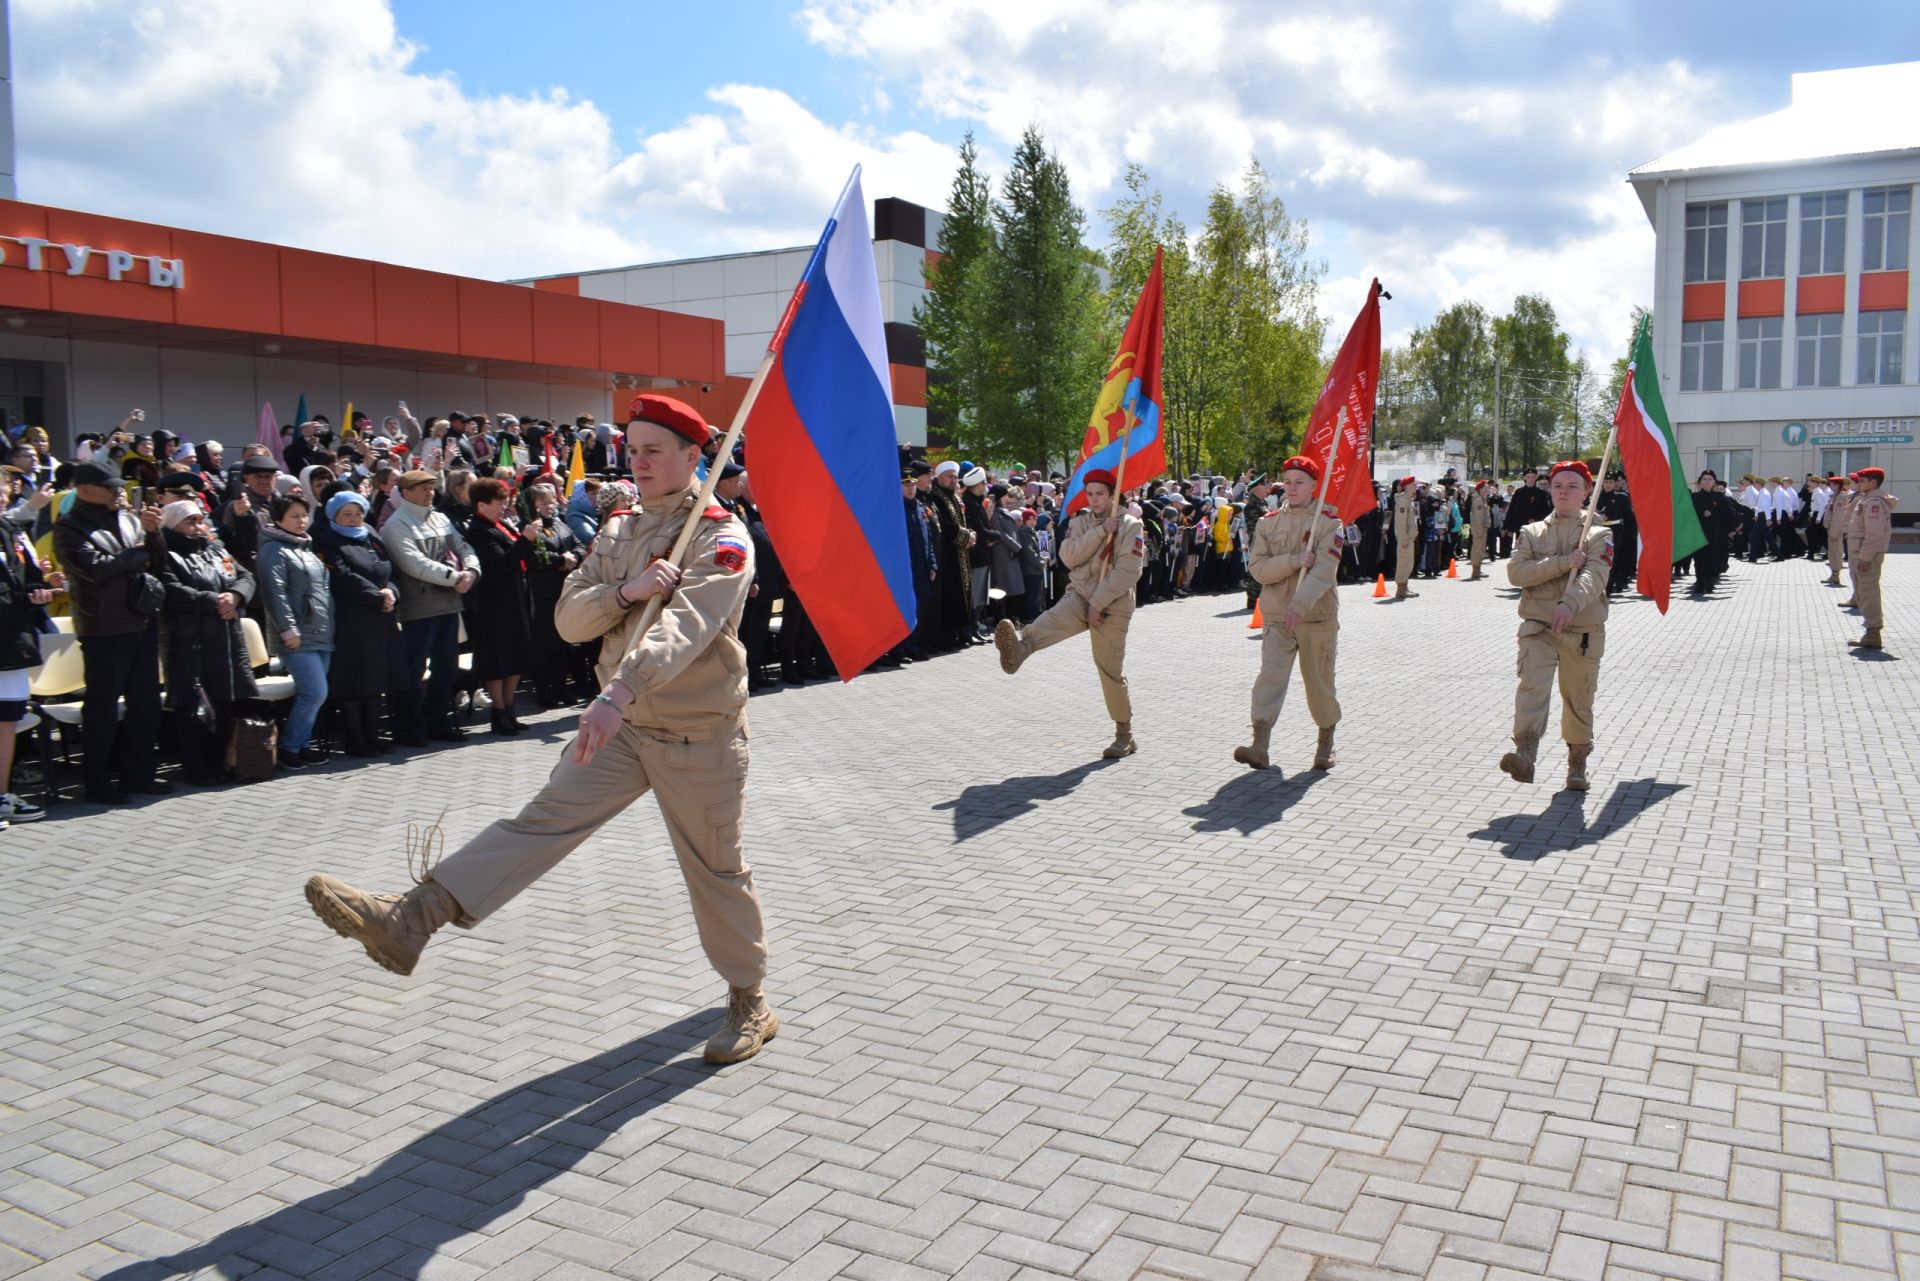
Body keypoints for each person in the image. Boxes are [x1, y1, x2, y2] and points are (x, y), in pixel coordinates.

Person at [305, 394, 777, 1065]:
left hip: (695, 735)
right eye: (633, 449)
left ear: (694, 455)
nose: (638, 462)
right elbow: (569, 621)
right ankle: (411, 919)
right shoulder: (619, 529)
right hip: (625, 728)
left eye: (654, 450)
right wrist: (629, 591)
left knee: (715, 870)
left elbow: (688, 628)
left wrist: (618, 688)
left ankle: (749, 996)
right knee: (539, 822)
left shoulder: (720, 536)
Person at [992, 468, 1145, 759]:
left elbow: (1128, 571)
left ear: (1113, 495)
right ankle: (1019, 650)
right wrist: (1101, 530)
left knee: (1108, 669)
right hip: (1079, 596)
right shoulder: (1082, 521)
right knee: (1050, 621)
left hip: (1112, 605)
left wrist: (1098, 604)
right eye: (1090, 494)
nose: (1095, 499)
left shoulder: (1130, 525)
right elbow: (1068, 556)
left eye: (1100, 494)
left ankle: (1124, 734)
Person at [52, 458, 170, 804]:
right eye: (110, 487)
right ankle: (98, 781)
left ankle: (139, 775)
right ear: (84, 489)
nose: (119, 492)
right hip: (103, 629)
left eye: (119, 486)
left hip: (141, 621)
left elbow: (158, 564)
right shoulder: (69, 527)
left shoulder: (128, 519)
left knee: (145, 706)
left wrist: (154, 534)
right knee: (101, 710)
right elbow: (96, 570)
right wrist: (139, 554)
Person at [1500, 460, 1611, 792]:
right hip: (1538, 627)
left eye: (1572, 486)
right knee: (1531, 688)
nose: (1563, 492)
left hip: (1582, 633)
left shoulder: (1599, 533)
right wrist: (1562, 563)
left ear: (1587, 492)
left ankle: (1577, 763)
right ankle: (1525, 752)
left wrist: (1570, 602)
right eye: (1558, 486)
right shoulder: (1532, 532)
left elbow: (1595, 575)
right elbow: (1517, 573)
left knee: (1578, 699)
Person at [1234, 457, 1341, 771]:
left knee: (1320, 683)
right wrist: (1294, 560)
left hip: (1316, 616)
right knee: (1270, 677)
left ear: (1313, 485)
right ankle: (1260, 745)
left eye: (1300, 482)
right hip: (1277, 615)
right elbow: (1258, 570)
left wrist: (1299, 606)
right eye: (1288, 481)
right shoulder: (1269, 523)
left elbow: (1324, 572)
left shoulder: (1329, 522)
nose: (1292, 488)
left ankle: (1325, 744)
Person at [155, 500, 257, 783]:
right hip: (189, 638)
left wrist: (235, 596)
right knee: (193, 706)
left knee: (224, 702)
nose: (198, 526)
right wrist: (215, 601)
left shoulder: (215, 549)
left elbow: (245, 576)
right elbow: (171, 590)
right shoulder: (166, 552)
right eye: (190, 521)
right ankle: (196, 768)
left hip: (224, 636)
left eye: (201, 520)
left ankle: (218, 763)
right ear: (172, 524)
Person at [380, 470, 480, 745]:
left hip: (448, 604)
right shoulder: (396, 524)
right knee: (413, 671)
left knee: (446, 669)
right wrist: (456, 578)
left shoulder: (440, 518)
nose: (429, 493)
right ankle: (408, 728)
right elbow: (414, 563)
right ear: (406, 492)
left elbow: (463, 547)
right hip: (419, 609)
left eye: (431, 488)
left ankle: (438, 722)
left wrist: (471, 570)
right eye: (422, 488)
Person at [312, 491, 406, 757]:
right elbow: (343, 576)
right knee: (355, 678)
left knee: (377, 676)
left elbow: (390, 570)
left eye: (358, 513)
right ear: (334, 516)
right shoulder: (327, 542)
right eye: (347, 514)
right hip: (352, 619)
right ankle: (355, 739)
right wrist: (377, 597)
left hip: (382, 616)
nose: (354, 519)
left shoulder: (370, 536)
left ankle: (373, 734)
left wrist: (391, 592)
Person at [257, 494, 334, 771]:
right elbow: (274, 592)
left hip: (319, 632)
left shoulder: (305, 547)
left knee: (312, 693)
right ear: (278, 520)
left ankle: (301, 745)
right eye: (294, 516)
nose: (302, 520)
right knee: (315, 692)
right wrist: (287, 627)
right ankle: (290, 747)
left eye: (304, 515)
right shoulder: (274, 549)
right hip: (297, 635)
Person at [464, 478, 537, 734]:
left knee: (516, 654)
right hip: (494, 603)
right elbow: (502, 564)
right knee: (498, 657)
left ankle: (509, 707)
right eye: (499, 503)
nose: (504, 507)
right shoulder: (478, 531)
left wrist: (528, 541)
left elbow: (520, 556)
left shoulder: (501, 525)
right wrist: (525, 540)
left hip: (514, 598)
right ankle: (498, 710)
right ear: (482, 505)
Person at [0, 509, 55, 825]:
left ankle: (2, 796)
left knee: (7, 722)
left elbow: (28, 578)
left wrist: (41, 589)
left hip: (11, 642)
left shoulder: (14, 533)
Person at [522, 482, 588, 707]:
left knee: (562, 643)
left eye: (551, 501)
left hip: (563, 589)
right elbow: (534, 556)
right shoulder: (530, 527)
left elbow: (579, 545)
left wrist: (573, 557)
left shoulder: (560, 523)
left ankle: (561, 687)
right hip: (541, 593)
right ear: (533, 506)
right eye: (543, 502)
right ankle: (544, 690)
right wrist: (560, 560)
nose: (549, 506)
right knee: (544, 645)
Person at [1844, 466, 1894, 651]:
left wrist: (1864, 558)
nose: (1859, 483)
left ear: (1873, 482)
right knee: (1864, 592)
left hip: (1866, 555)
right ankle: (1871, 631)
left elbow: (1874, 534)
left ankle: (1873, 633)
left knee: (1868, 593)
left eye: (1862, 481)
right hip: (1860, 553)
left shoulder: (1874, 502)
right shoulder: (1865, 499)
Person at [1390, 475, 1419, 598]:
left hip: (1409, 538)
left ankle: (1404, 587)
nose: (1415, 486)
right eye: (1413, 484)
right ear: (1407, 486)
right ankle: (1401, 589)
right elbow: (1401, 523)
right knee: (1403, 563)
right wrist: (1403, 538)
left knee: (1408, 563)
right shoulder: (1403, 501)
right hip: (1405, 539)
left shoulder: (1408, 500)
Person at [1824, 476, 1853, 588]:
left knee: (1836, 552)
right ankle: (1833, 574)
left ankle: (1836, 575)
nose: (1830, 486)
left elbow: (1838, 516)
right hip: (1831, 528)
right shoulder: (1835, 496)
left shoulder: (1841, 497)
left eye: (1831, 484)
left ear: (1837, 485)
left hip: (1835, 529)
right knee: (1832, 552)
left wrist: (1834, 532)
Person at [1467, 480, 1492, 580]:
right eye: (1486, 488)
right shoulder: (1478, 501)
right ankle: (1475, 572)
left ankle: (1478, 570)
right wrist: (1480, 530)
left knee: (1481, 549)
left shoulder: (1482, 499)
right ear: (1480, 489)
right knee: (1477, 550)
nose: (1488, 489)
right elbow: (1478, 517)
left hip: (1481, 528)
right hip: (1479, 529)